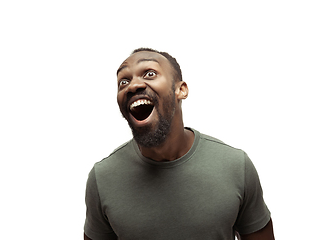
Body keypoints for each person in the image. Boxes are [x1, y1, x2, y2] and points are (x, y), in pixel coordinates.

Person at [83, 48, 274, 240]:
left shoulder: (235, 166)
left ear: (181, 90)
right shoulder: (102, 178)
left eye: (150, 73)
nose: (133, 86)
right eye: (124, 81)